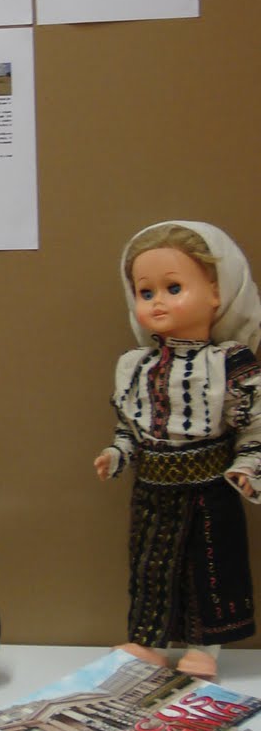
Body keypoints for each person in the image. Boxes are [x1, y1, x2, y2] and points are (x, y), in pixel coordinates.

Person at [94, 220, 261, 677]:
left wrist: (249, 465)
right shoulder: (136, 366)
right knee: (151, 568)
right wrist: (117, 454)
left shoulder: (229, 363)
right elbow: (130, 426)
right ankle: (149, 642)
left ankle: (205, 649)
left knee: (208, 569)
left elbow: (254, 425)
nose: (158, 302)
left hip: (209, 487)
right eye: (145, 292)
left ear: (216, 292)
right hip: (152, 488)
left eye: (173, 288)